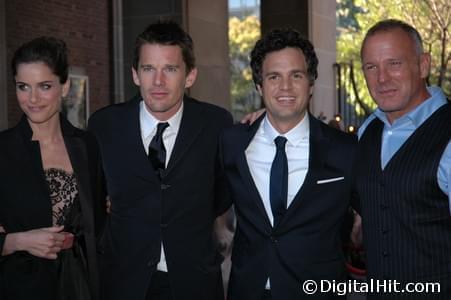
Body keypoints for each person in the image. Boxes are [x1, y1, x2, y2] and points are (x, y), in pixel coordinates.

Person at [88, 20, 233, 300]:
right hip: (122, 281)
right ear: (135, 74)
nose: (158, 81)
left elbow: (221, 195)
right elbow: (92, 198)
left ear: (189, 76)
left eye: (170, 69)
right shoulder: (104, 125)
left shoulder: (216, 125)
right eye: (148, 69)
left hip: (195, 282)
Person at [220, 28, 357, 300]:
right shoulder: (232, 142)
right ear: (259, 86)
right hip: (247, 291)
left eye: (296, 75)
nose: (285, 87)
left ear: (311, 83)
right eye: (274, 77)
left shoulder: (346, 150)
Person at [0, 37, 105, 300]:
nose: (32, 98)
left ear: (65, 86)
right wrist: (16, 241)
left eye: (44, 86)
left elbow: (100, 224)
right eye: (23, 86)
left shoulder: (88, 145)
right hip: (19, 287)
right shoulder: (3, 149)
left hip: (83, 285)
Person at [356, 19, 451, 299]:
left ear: (423, 65)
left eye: (394, 63)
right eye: (371, 67)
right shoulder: (367, 131)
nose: (382, 78)